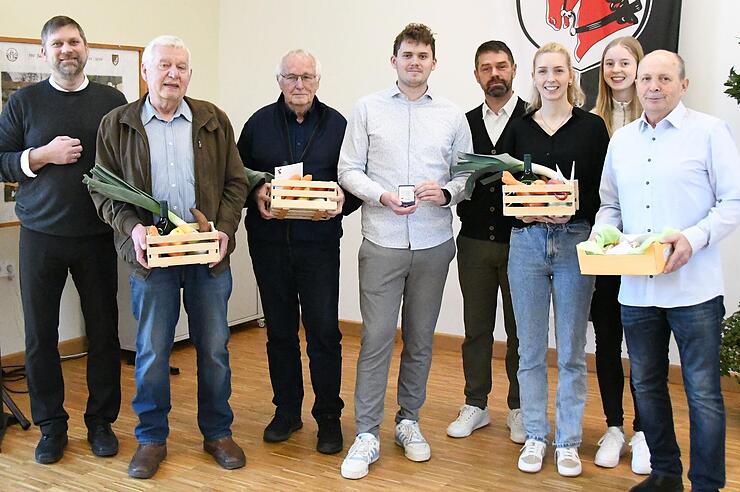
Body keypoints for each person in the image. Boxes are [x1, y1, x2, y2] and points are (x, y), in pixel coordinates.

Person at [595, 50, 740, 492]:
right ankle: (665, 476)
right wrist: (603, 236)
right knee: (646, 386)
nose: (653, 86)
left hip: (695, 291)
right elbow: (611, 206)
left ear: (683, 84)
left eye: (664, 78)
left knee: (703, 394)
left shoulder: (709, 132)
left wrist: (693, 238)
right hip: (637, 292)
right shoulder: (622, 140)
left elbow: (737, 200)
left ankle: (706, 485)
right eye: (646, 78)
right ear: (635, 84)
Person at [92, 35, 249, 479]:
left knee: (215, 349)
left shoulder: (213, 120)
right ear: (146, 71)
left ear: (190, 75)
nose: (173, 74)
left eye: (181, 66)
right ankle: (151, 438)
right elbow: (103, 190)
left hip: (206, 259)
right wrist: (132, 229)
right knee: (152, 352)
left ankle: (218, 432)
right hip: (151, 260)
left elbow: (236, 184)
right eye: (164, 65)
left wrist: (223, 229)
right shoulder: (117, 124)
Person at [337, 23, 472, 480]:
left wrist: (448, 192)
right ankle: (367, 433)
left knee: (419, 339)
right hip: (382, 241)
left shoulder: (453, 116)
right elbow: (348, 169)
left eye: (422, 55)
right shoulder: (367, 109)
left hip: (434, 243)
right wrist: (380, 195)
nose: (415, 62)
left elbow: (466, 175)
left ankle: (408, 422)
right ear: (393, 60)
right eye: (407, 54)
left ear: (434, 62)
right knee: (375, 340)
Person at [0, 16, 126, 465]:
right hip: (39, 236)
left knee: (105, 334)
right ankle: (51, 427)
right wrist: (42, 156)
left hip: (96, 236)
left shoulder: (111, 101)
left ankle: (101, 423)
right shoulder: (25, 102)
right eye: (57, 43)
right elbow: (2, 161)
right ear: (44, 52)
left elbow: (128, 162)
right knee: (40, 338)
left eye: (73, 41)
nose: (66, 49)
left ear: (85, 47)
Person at [237, 49, 360, 455]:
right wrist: (257, 193)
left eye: (307, 77)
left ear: (318, 82)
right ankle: (287, 411)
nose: (299, 85)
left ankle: (328, 416)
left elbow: (356, 182)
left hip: (319, 247)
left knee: (324, 332)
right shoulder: (257, 124)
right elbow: (235, 178)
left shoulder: (340, 125)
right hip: (270, 246)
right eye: (291, 77)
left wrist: (346, 201)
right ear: (279, 81)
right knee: (280, 333)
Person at [501, 42, 609, 477]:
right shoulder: (518, 127)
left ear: (571, 77)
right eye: (542, 70)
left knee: (570, 351)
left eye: (558, 70)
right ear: (534, 77)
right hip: (526, 244)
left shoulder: (592, 128)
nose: (550, 78)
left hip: (573, 242)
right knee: (528, 348)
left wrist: (575, 210)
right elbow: (501, 185)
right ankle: (534, 435)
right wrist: (529, 208)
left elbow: (605, 193)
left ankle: (566, 440)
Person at [446, 40, 526, 443]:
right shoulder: (463, 123)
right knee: (476, 328)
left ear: (514, 69)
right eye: (485, 68)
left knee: (519, 331)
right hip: (475, 241)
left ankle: (518, 407)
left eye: (501, 66)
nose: (494, 74)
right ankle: (475, 403)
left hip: (522, 243)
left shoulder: (533, 119)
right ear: (476, 74)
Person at [590, 36, 651, 475]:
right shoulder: (593, 123)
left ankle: (645, 431)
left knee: (646, 346)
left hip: (648, 251)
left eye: (623, 62)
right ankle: (614, 426)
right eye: (609, 63)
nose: (616, 70)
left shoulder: (658, 118)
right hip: (606, 250)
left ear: (639, 67)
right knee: (608, 340)